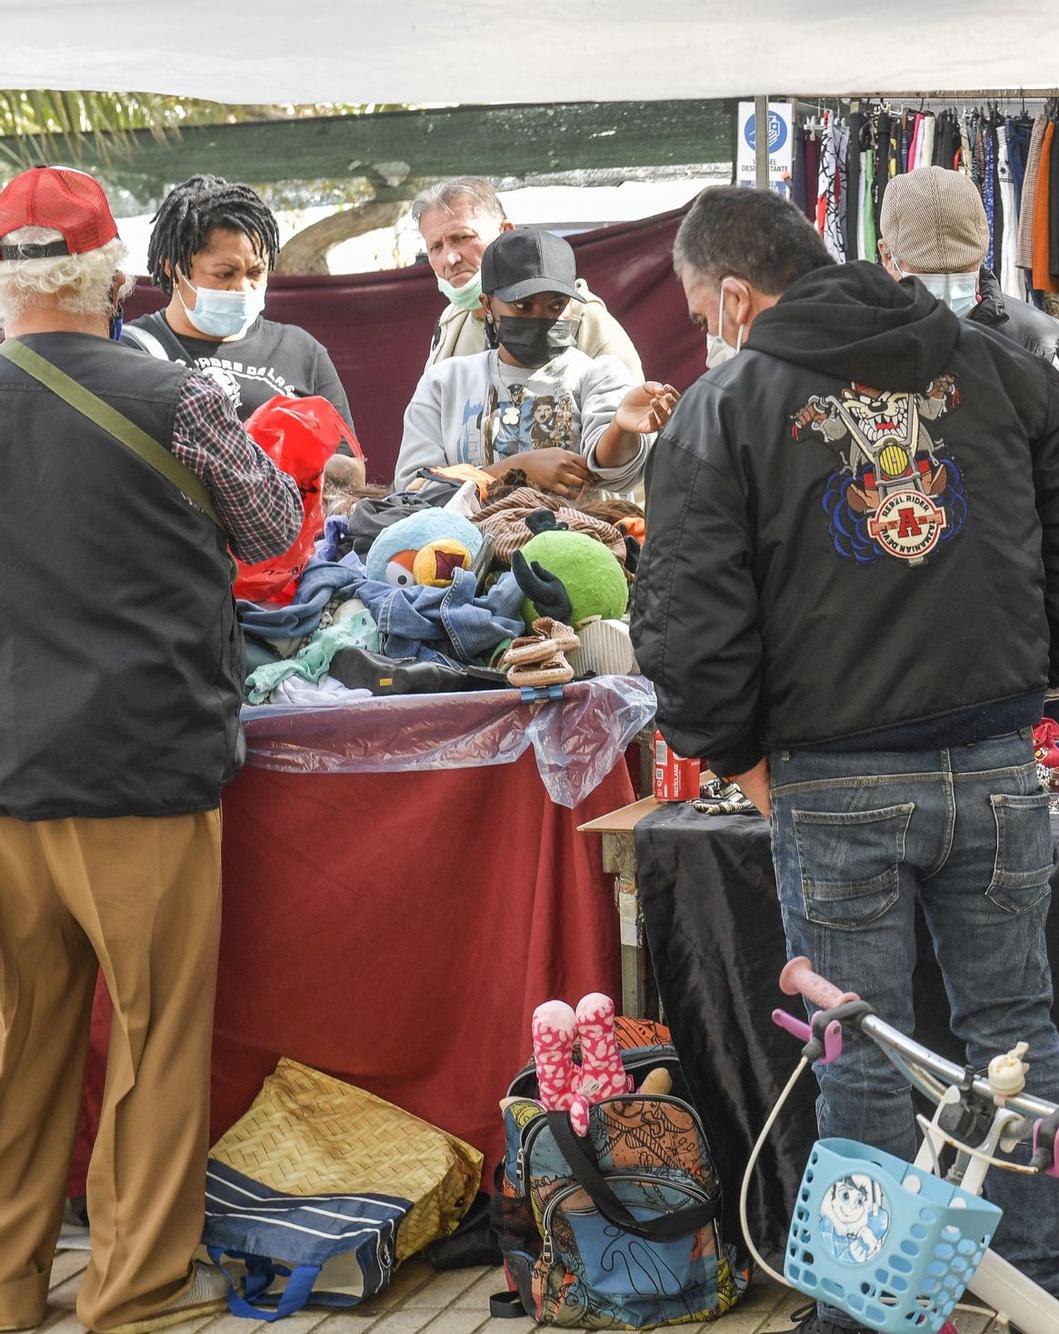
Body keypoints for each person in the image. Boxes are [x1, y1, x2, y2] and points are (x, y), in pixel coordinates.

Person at [631, 186, 1059, 1334]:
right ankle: (1043, 1294)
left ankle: (871, 1309)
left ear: (737, 293)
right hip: (993, 758)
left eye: (704, 309)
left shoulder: (726, 404)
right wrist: (1036, 684)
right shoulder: (997, 367)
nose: (707, 329)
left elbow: (689, 617)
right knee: (1014, 1031)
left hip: (834, 770)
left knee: (860, 1044)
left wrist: (731, 749)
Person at [0, 166, 302, 1334]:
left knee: (20, 1037)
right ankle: (129, 1293)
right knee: (152, 1032)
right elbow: (273, 527)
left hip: (9, 765)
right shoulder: (172, 396)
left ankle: (13, 1281)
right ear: (115, 273)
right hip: (139, 762)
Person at [393, 227, 672, 497]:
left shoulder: (600, 375)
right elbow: (414, 489)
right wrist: (511, 471)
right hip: (468, 545)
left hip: (579, 543)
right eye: (523, 306)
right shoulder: (444, 383)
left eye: (556, 305)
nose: (540, 317)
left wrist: (619, 430)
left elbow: (616, 472)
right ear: (487, 305)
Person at [121, 174, 353, 434]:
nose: (242, 287)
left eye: (255, 273)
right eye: (224, 274)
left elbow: (350, 467)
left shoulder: (302, 352)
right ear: (173, 269)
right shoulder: (131, 351)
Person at [413, 176, 642, 377]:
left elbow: (633, 418)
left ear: (506, 232)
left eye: (462, 238)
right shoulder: (451, 324)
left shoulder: (580, 319)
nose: (449, 260)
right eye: (435, 247)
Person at [877, 165, 1059, 363]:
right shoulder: (858, 341)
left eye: (961, 269)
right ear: (888, 257)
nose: (946, 285)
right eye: (928, 272)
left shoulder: (1043, 343)